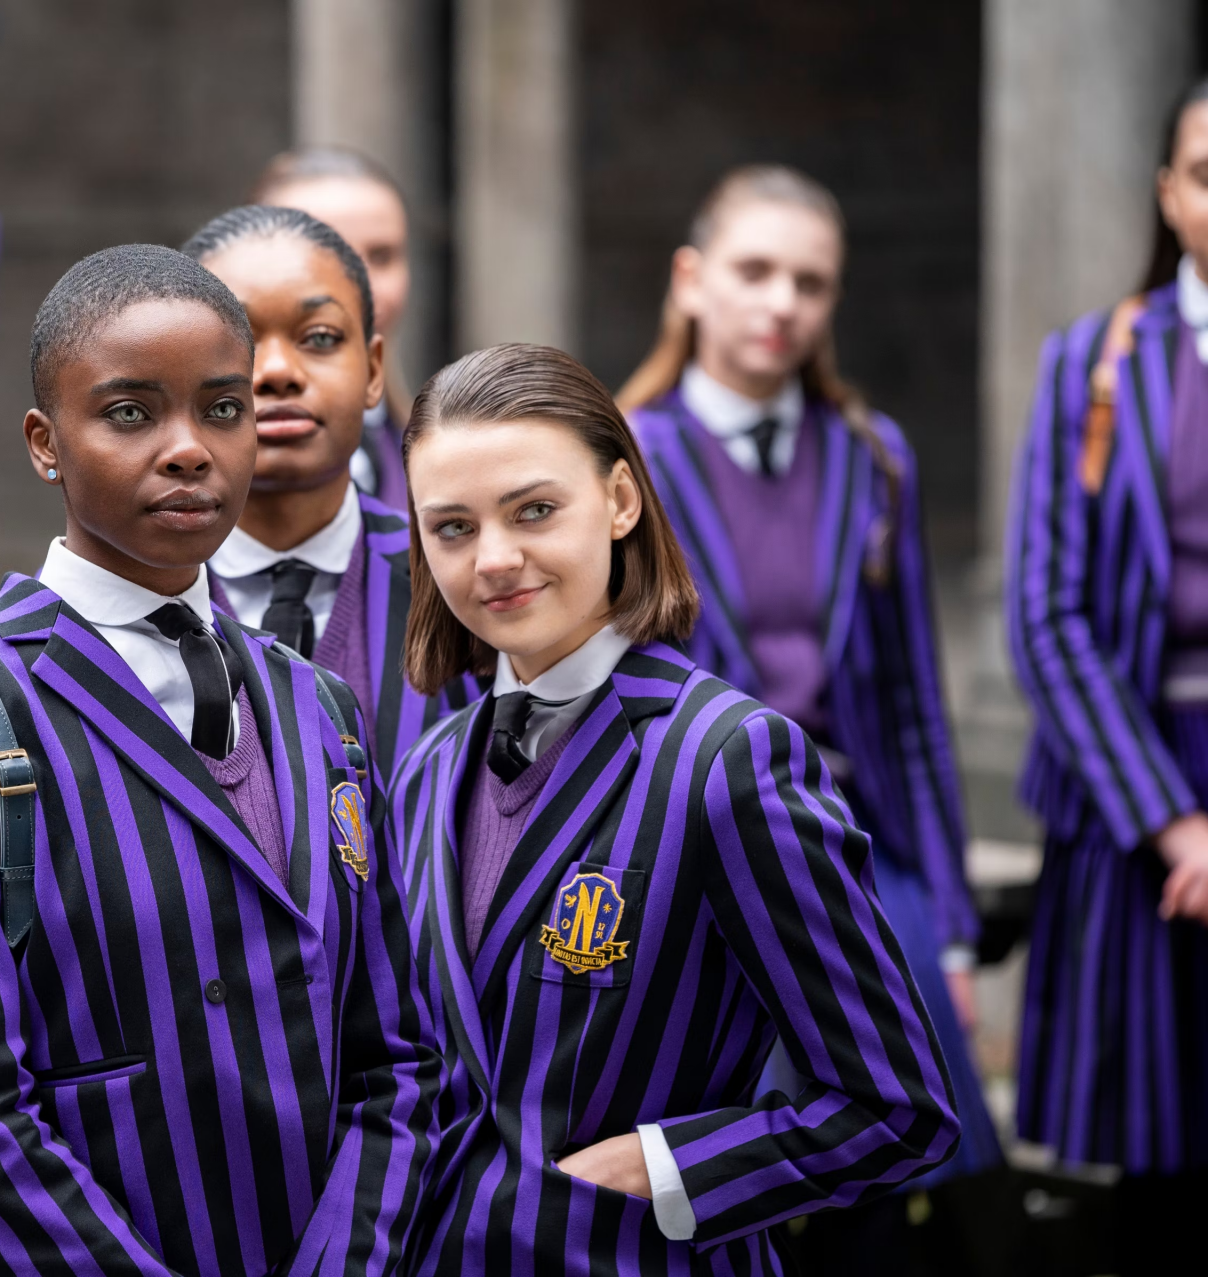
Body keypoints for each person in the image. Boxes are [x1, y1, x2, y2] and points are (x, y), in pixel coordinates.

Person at [0, 244, 438, 1276]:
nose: (189, 450)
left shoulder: (315, 704)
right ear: (45, 443)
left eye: (222, 409)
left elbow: (396, 1061)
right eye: (129, 413)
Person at [391, 343, 959, 1275]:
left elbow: (896, 1107)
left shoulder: (730, 760)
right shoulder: (426, 770)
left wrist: (663, 1170)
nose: (494, 558)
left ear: (620, 499)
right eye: (452, 527)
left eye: (534, 510)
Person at [615, 165, 1001, 1264]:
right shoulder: (626, 456)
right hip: (695, 849)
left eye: (811, 281)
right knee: (736, 1153)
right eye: (755, 270)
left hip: (855, 841)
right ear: (691, 279)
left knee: (888, 1148)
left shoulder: (874, 456)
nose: (782, 302)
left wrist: (953, 925)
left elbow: (914, 704)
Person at [1007, 79, 1208, 1274]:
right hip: (1136, 778)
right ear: (1169, 194)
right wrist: (1177, 823)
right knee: (1158, 1143)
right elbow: (1045, 612)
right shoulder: (1093, 362)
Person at [184, 205, 480, 787]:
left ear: (373, 370)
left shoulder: (462, 580)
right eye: (238, 342)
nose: (276, 371)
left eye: (320, 338)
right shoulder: (110, 608)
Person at [252, 147, 413, 508]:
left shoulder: (436, 455)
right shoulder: (208, 467)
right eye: (325, 257)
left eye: (382, 256)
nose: (363, 288)